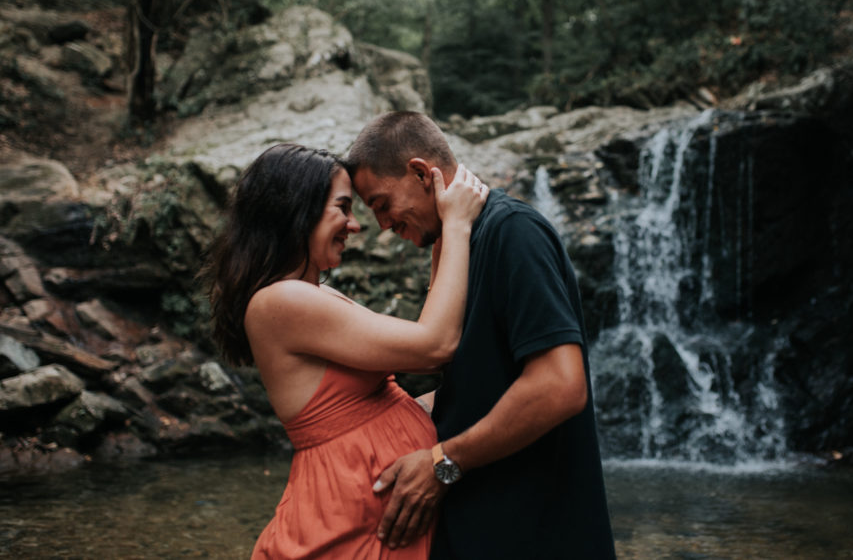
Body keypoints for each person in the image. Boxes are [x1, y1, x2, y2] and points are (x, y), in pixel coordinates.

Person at [346, 112, 617, 559]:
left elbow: (560, 385)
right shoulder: (458, 245)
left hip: (539, 537)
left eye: (380, 204)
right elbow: (478, 383)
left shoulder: (513, 232)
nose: (383, 225)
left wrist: (443, 462)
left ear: (419, 172)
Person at [205, 142, 489, 559]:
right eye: (343, 207)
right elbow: (434, 346)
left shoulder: (312, 294)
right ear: (296, 211)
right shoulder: (281, 301)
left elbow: (395, 384)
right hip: (342, 522)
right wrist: (457, 224)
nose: (355, 226)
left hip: (367, 517)